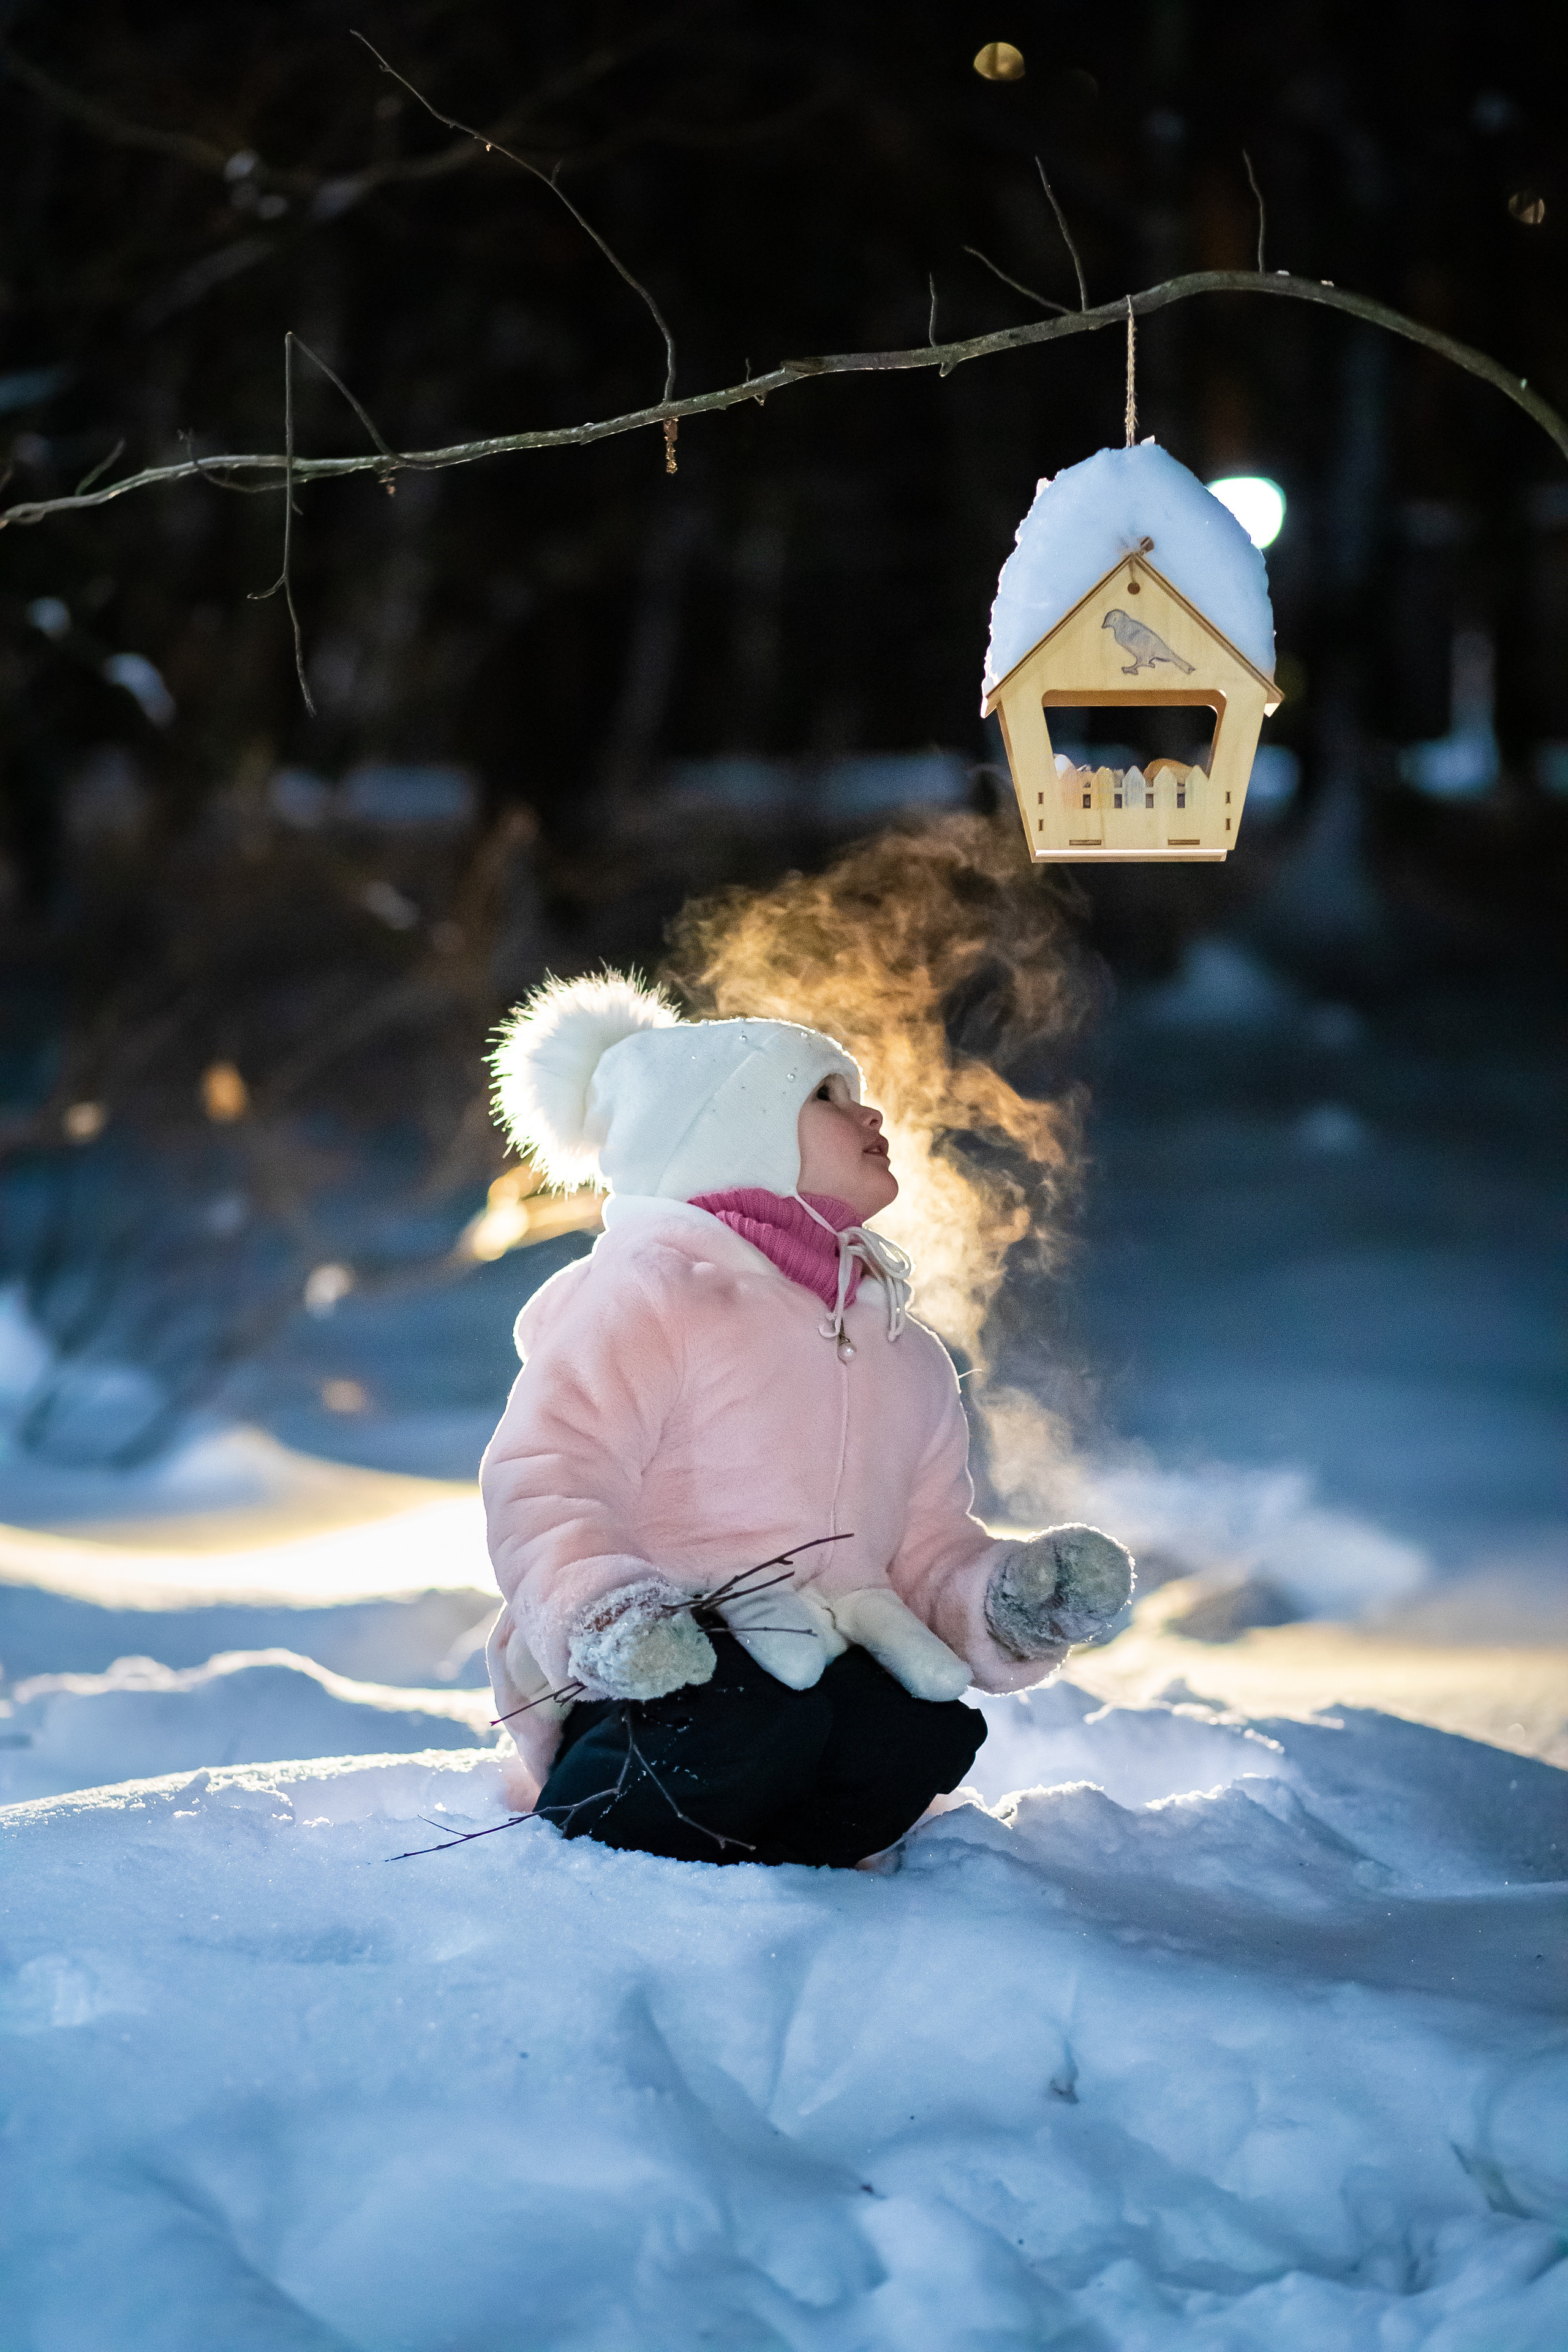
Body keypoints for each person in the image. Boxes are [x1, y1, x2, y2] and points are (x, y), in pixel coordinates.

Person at [481, 972, 1133, 1868]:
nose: (868, 1117)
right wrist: (607, 1612)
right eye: (827, 1096)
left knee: (916, 1732)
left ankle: (792, 1882)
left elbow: (926, 1546)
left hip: (826, 1659)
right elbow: (550, 1474)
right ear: (726, 1130)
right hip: (660, 1667)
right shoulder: (648, 1295)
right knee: (749, 1714)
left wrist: (1010, 1602)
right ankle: (603, 1849)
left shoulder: (901, 1351)